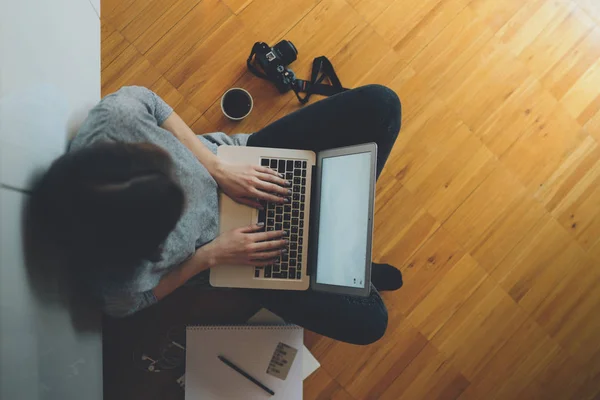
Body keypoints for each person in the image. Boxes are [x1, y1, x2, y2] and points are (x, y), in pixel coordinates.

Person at [32, 85, 402, 345]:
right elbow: (126, 306)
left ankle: (342, 255)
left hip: (240, 163)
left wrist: (215, 166)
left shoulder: (113, 121)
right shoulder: (118, 278)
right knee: (372, 322)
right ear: (149, 246)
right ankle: (345, 258)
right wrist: (210, 255)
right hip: (236, 254)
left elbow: (148, 99)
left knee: (383, 104)